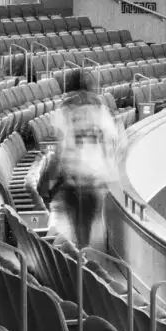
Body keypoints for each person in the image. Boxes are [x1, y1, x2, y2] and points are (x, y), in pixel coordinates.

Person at [51, 90, 125, 247]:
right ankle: (82, 254)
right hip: (91, 179)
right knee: (86, 222)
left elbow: (62, 150)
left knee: (80, 225)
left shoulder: (68, 115)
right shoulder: (101, 116)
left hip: (75, 179)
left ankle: (81, 253)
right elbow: (115, 143)